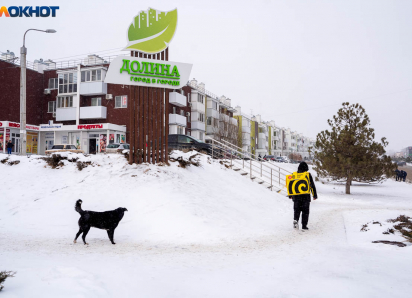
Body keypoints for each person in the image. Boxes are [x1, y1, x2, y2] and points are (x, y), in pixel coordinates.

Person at [289, 161, 318, 230]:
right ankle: (304, 226)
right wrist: (314, 195)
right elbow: (312, 186)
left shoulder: (294, 174)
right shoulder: (307, 175)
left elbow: (291, 185)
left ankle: (296, 220)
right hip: (305, 197)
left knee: (297, 210)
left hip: (296, 197)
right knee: (305, 212)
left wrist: (290, 195)